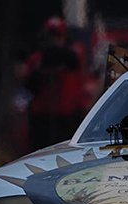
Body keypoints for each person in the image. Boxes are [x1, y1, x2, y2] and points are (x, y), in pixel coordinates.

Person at [23, 16, 85, 151]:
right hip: (42, 117)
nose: (54, 40)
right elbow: (29, 85)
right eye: (51, 35)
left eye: (57, 35)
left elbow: (73, 60)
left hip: (66, 116)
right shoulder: (36, 58)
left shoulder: (74, 53)